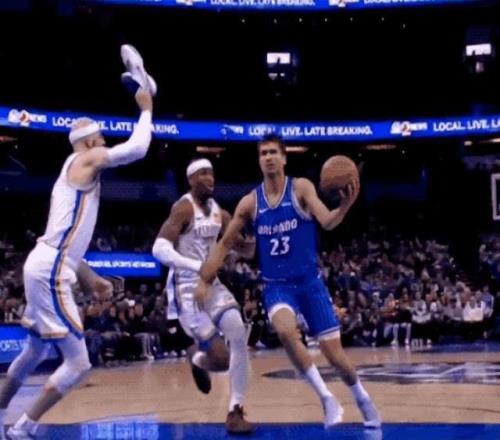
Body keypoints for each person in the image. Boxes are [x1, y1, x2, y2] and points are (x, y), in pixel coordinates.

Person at [196, 135, 381, 429]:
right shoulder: (250, 203)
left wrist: (344, 207)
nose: (268, 157)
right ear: (259, 160)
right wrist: (204, 280)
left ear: (284, 158)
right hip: (277, 287)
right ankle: (326, 398)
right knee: (284, 331)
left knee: (336, 357)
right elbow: (224, 244)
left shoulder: (301, 188)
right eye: (263, 153)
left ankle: (362, 398)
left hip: (310, 284)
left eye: (273, 152)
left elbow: (327, 221)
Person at [0, 87, 153, 439]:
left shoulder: (73, 174)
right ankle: (24, 428)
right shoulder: (84, 159)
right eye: (101, 140)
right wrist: (146, 110)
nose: (104, 145)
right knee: (79, 362)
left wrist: (89, 275)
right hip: (50, 267)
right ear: (87, 143)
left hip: (46, 262)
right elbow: (137, 149)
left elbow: (67, 244)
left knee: (35, 348)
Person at [152, 158, 253, 434]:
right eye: (203, 173)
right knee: (221, 360)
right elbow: (159, 249)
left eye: (211, 173)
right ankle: (197, 360)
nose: (210, 178)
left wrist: (257, 232)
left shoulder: (221, 213)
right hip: (185, 288)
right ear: (191, 180)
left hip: (211, 283)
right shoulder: (183, 208)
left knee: (238, 332)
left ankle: (236, 410)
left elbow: (245, 249)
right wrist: (197, 266)